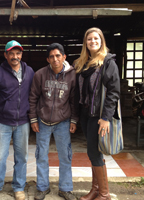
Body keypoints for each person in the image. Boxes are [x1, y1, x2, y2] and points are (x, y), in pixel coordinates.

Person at [74, 27, 120, 200]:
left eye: (96, 39)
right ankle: (96, 190)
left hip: (99, 115)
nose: (92, 41)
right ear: (85, 43)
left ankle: (104, 193)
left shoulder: (108, 63)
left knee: (94, 152)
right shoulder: (82, 63)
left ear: (101, 41)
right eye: (89, 39)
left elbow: (113, 92)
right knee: (93, 152)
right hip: (86, 114)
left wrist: (106, 118)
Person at [29, 43, 78, 200]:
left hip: (63, 122)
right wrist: (33, 119)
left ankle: (65, 188)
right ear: (47, 59)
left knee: (65, 156)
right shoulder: (40, 74)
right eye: (51, 56)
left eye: (58, 55)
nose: (55, 59)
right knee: (41, 155)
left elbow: (74, 100)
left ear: (64, 57)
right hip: (43, 122)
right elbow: (33, 98)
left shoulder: (72, 75)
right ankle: (42, 187)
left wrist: (74, 120)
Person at [0, 40, 34, 200]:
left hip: (23, 123)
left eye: (18, 53)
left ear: (21, 54)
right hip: (2, 122)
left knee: (22, 157)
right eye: (11, 53)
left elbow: (34, 96)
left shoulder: (30, 72)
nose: (15, 56)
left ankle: (19, 187)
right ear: (6, 55)